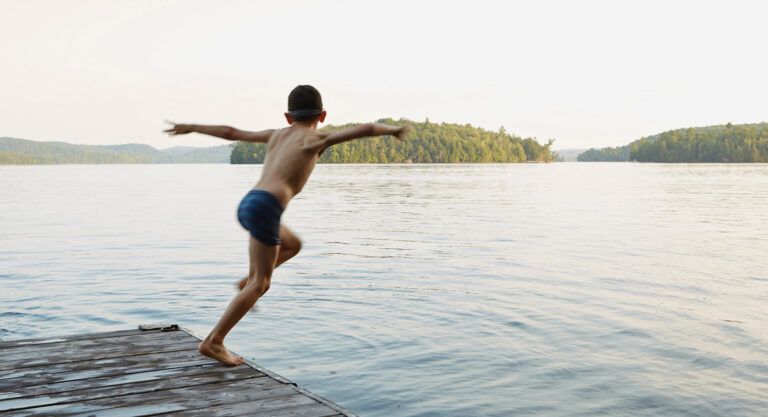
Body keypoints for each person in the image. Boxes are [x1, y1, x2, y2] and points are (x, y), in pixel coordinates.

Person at [164, 85, 409, 365]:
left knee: (293, 245)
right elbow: (366, 128)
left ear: (287, 116)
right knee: (262, 285)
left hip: (250, 203)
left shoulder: (276, 135)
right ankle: (214, 341)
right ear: (323, 115)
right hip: (267, 208)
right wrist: (394, 130)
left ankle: (247, 280)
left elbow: (232, 133)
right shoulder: (316, 139)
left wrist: (191, 127)